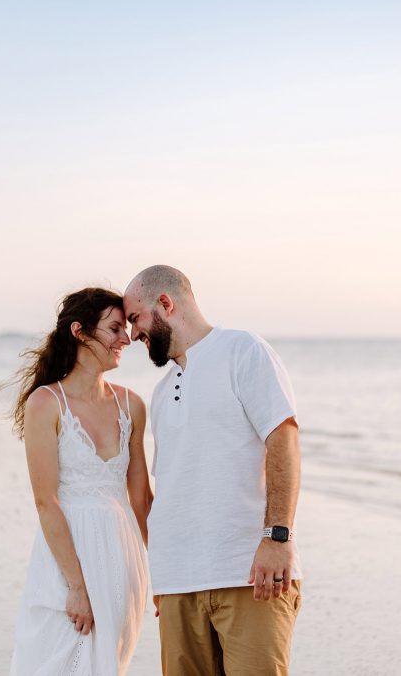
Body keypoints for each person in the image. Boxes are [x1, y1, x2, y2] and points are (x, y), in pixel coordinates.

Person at [123, 265, 302, 676]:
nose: (133, 334)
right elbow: (170, 488)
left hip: (248, 575)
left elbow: (284, 439)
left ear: (165, 304)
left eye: (136, 318)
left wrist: (277, 537)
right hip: (178, 586)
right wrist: (165, 577)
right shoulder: (163, 392)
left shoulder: (243, 351)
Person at [9, 287, 152, 676]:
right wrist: (75, 586)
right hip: (68, 558)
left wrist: (166, 573)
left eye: (126, 329)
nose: (127, 338)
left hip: (122, 557)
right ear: (80, 331)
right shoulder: (45, 403)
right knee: (51, 661)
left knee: (107, 665)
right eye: (114, 328)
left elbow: (141, 498)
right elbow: (46, 501)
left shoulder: (132, 405)